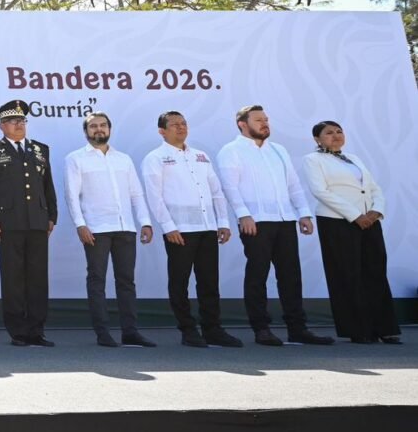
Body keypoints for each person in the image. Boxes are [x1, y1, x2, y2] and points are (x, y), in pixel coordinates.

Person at [217, 105, 333, 346]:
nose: (265, 123)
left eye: (266, 119)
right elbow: (230, 187)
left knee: (291, 276)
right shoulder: (231, 151)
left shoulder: (278, 150)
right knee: (257, 275)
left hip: (285, 220)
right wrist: (243, 215)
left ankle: (297, 328)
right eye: (259, 120)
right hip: (256, 222)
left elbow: (293, 185)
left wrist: (303, 213)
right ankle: (261, 328)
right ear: (242, 124)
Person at [141, 111, 243, 348]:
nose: (180, 127)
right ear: (161, 131)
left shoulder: (201, 155)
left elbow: (216, 191)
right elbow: (154, 197)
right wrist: (168, 227)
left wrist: (223, 223)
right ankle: (188, 330)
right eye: (174, 124)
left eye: (184, 123)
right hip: (179, 231)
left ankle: (213, 329)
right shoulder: (155, 158)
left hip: (207, 228)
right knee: (180, 282)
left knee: (209, 281)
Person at [301, 121, 400, 344]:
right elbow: (320, 191)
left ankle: (384, 328)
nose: (335, 136)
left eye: (339, 131)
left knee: (375, 272)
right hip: (338, 221)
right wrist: (355, 215)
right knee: (347, 274)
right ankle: (359, 330)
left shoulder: (354, 158)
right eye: (329, 133)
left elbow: (374, 188)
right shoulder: (313, 160)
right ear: (317, 139)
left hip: (369, 222)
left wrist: (376, 211)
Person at [63, 111, 156, 348]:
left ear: (110, 129)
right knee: (97, 281)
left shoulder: (123, 159)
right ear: (86, 132)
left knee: (126, 281)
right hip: (96, 229)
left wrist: (144, 221)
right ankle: (103, 332)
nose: (99, 129)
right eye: (93, 126)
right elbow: (71, 195)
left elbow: (136, 193)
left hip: (125, 227)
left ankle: (130, 332)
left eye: (103, 125)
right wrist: (80, 224)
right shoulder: (76, 159)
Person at [0, 99, 58, 347]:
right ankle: (18, 331)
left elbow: (48, 186)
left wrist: (52, 216)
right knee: (13, 278)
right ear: (2, 126)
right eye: (13, 121)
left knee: (37, 278)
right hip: (8, 223)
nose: (19, 124)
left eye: (22, 120)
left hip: (37, 222)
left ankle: (37, 330)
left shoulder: (40, 149)